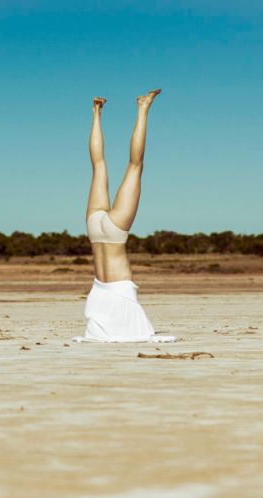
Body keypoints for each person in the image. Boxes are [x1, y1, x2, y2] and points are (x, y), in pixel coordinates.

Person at [75, 89, 175, 343]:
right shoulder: (121, 306)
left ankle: (98, 112)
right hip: (101, 232)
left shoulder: (109, 308)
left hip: (102, 239)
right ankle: (134, 109)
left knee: (108, 165)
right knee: (126, 165)